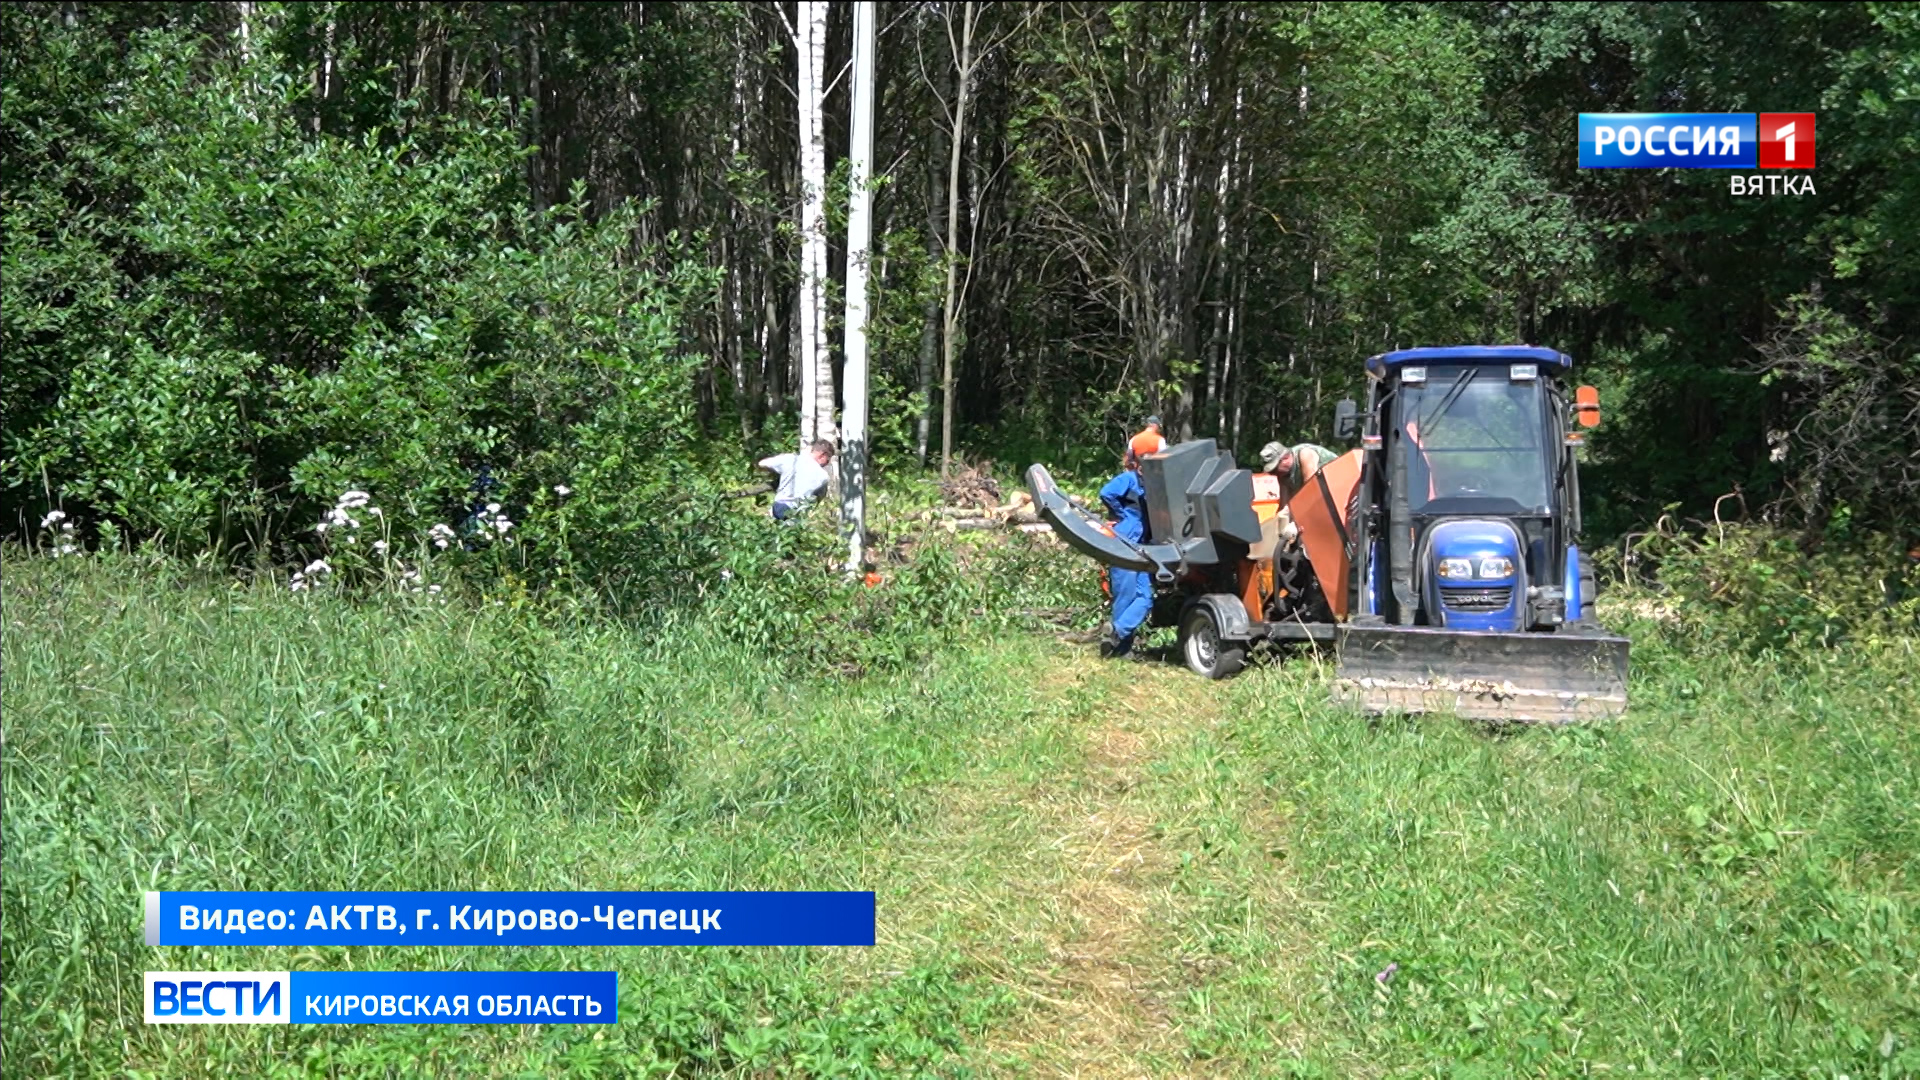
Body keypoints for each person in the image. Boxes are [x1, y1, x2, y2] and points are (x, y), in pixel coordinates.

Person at [1098, 451, 1153, 658]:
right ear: (1138, 465)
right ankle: (1120, 649)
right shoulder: (1128, 479)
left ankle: (1116, 631)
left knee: (1145, 598)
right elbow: (1106, 492)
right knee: (1125, 596)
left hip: (1141, 549)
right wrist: (1121, 514)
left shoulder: (1150, 487)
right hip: (1124, 543)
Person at [758, 440, 835, 520]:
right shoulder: (823, 476)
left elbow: (762, 463)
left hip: (779, 507)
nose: (828, 462)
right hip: (798, 513)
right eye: (828, 459)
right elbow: (818, 499)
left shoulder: (790, 459)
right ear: (822, 455)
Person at [1259, 440, 1338, 503]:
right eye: (1272, 471)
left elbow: (1310, 489)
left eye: (1275, 469)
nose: (1274, 473)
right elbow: (1285, 504)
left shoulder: (1305, 454)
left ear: (1285, 458)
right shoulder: (1283, 474)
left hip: (1341, 484)